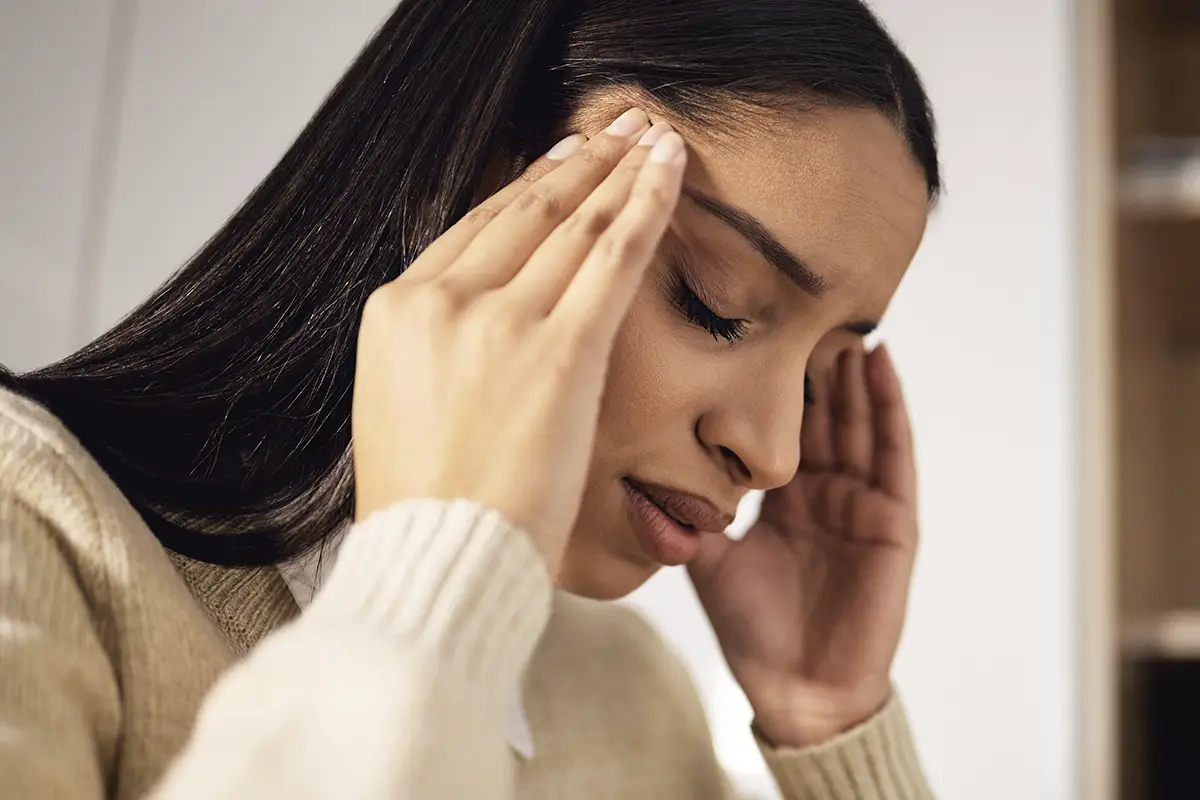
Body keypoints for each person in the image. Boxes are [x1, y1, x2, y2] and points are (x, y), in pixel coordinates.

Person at [0, 0, 940, 797]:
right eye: (714, 301)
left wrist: (831, 720)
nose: (775, 454)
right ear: (484, 179)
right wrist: (428, 592)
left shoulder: (634, 698)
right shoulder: (33, 531)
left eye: (817, 378)